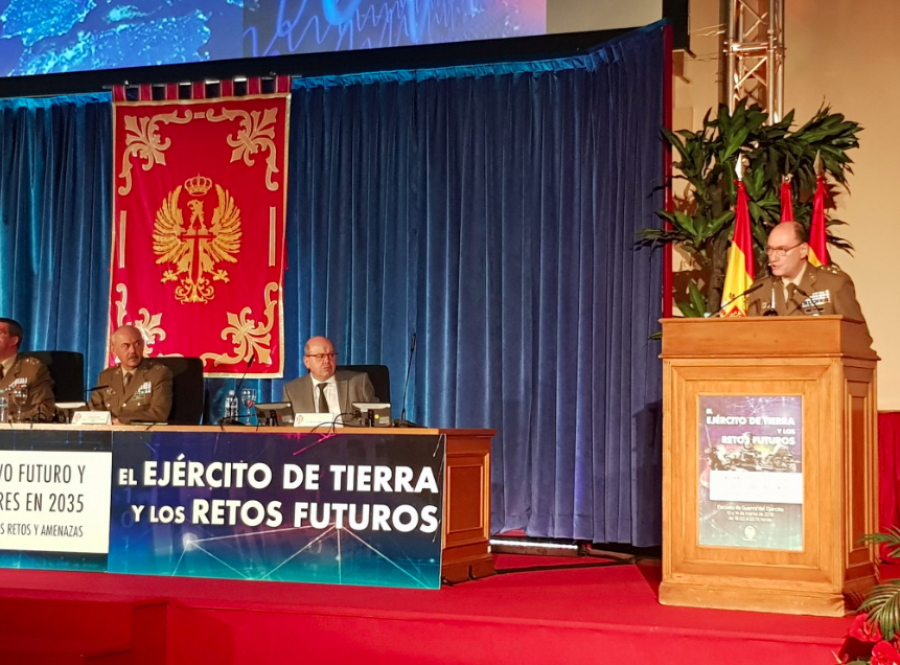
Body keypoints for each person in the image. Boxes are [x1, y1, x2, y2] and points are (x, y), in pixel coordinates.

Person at [747, 222, 872, 344]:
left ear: (803, 250)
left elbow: (859, 339)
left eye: (782, 250)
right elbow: (750, 341)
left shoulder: (833, 284)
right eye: (770, 250)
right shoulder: (760, 290)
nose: (773, 257)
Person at [89, 325, 173, 425]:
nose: (133, 350)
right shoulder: (106, 377)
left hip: (143, 436)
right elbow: (94, 409)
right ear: (114, 350)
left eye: (137, 344)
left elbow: (159, 413)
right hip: (109, 435)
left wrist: (122, 421)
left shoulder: (157, 374)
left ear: (143, 345)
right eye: (126, 346)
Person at [283, 336, 375, 422]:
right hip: (310, 439)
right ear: (307, 362)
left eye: (331, 355)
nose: (327, 361)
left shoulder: (358, 382)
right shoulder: (292, 390)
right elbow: (286, 427)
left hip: (350, 438)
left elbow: (377, 417)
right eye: (320, 356)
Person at [0, 317, 55, 422]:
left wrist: (8, 420)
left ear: (13, 340)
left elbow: (44, 410)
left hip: (16, 434)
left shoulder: (32, 369)